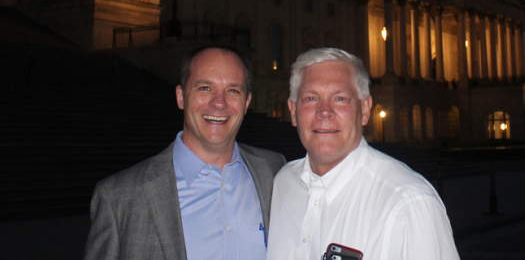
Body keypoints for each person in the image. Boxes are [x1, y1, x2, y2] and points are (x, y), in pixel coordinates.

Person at [84, 44, 285, 260]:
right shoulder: (120, 197)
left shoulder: (274, 171)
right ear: (180, 96)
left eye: (233, 90)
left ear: (246, 103)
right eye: (205, 88)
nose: (219, 102)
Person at [266, 48, 460, 260]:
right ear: (293, 111)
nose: (324, 111)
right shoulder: (282, 183)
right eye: (311, 98)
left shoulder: (409, 203)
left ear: (365, 110)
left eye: (340, 98)